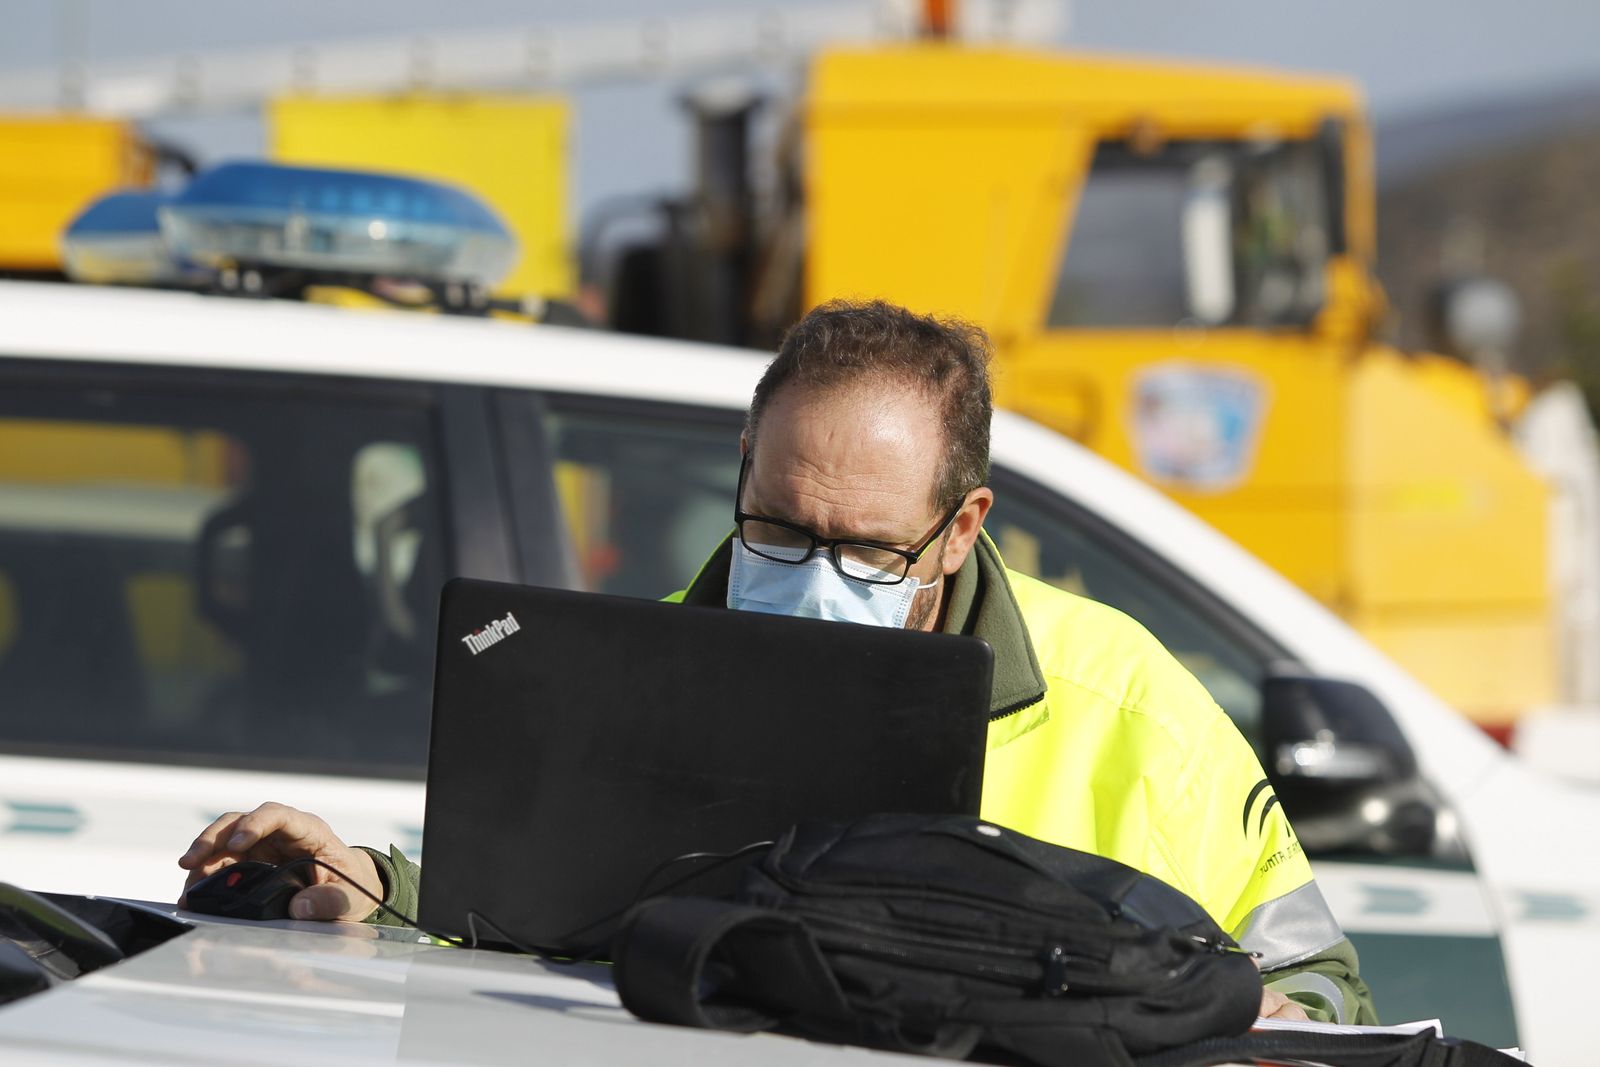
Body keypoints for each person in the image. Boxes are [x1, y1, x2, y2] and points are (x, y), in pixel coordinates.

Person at [179, 299, 1375, 1024]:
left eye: (866, 548)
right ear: (744, 464)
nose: (813, 575)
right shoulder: (634, 670)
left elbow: (1324, 990)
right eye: (781, 527)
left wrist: (1265, 1024)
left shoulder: (1132, 708)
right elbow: (535, 917)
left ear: (961, 527)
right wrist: (369, 886)